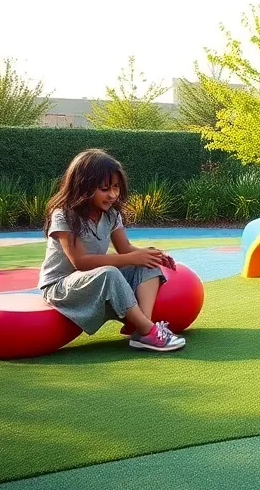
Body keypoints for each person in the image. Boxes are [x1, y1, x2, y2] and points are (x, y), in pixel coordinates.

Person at [38, 149, 184, 352]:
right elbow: (80, 261)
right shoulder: (64, 215)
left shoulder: (111, 215)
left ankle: (142, 329)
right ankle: (149, 330)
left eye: (116, 187)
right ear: (83, 186)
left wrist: (151, 255)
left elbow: (125, 248)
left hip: (93, 279)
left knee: (148, 265)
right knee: (110, 273)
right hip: (60, 287)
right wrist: (133, 257)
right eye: (105, 188)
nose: (113, 194)